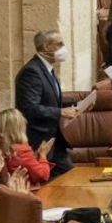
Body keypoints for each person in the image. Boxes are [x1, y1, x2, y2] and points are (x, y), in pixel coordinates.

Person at [15, 30, 78, 176]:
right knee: (66, 180)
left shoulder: (47, 69)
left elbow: (51, 100)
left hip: (54, 140)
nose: (64, 48)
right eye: (59, 44)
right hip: (40, 140)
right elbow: (29, 108)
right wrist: (60, 112)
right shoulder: (32, 72)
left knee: (69, 178)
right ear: (46, 47)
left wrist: (79, 105)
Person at [0, 108, 54, 187]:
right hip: (25, 194)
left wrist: (36, 156)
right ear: (19, 128)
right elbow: (42, 175)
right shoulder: (21, 151)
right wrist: (43, 155)